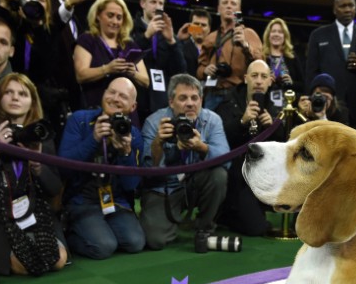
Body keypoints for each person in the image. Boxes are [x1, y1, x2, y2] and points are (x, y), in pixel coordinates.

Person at [0, 73, 68, 276]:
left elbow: (54, 188)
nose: (15, 97)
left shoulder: (41, 135)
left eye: (22, 93)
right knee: (25, 265)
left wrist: (38, 166)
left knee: (58, 261)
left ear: (32, 101)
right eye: (8, 92)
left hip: (36, 210)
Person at [140, 74, 230, 250]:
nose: (190, 103)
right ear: (171, 102)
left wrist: (201, 147)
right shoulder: (154, 122)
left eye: (194, 98)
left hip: (197, 182)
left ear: (201, 100)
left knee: (219, 175)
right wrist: (158, 142)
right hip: (165, 187)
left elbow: (226, 160)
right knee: (155, 240)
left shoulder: (212, 120)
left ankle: (204, 227)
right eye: (183, 98)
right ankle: (172, 220)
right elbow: (146, 172)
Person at [58, 78, 146, 260]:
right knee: (104, 247)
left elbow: (131, 185)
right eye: (111, 92)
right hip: (82, 199)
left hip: (115, 200)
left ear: (133, 106)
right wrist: (94, 139)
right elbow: (63, 167)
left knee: (135, 243)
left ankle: (96, 229)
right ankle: (69, 232)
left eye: (123, 96)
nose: (115, 98)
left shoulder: (133, 134)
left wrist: (125, 153)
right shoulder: (80, 120)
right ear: (103, 94)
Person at [0, 0, 72, 136]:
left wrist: (38, 26)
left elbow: (45, 69)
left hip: (42, 107)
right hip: (5, 100)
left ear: (48, 6)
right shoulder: (11, 26)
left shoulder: (50, 33)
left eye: (41, 0)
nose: (35, 3)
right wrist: (3, 6)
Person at [215, 60, 280, 236]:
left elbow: (284, 147)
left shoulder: (276, 109)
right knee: (256, 228)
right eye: (254, 76)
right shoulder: (228, 104)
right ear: (245, 79)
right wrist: (242, 122)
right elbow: (220, 140)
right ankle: (225, 213)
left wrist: (273, 128)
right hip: (238, 177)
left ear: (270, 81)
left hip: (266, 175)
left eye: (263, 76)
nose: (259, 81)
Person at [74, 0, 150, 125]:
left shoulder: (130, 45)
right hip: (95, 108)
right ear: (98, 15)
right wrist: (107, 69)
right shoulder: (87, 40)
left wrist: (133, 73)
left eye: (119, 17)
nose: (115, 21)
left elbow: (146, 81)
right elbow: (80, 75)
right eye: (110, 16)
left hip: (126, 113)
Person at [304, 0, 356, 128]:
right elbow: (311, 73)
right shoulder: (318, 35)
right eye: (343, 6)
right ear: (334, 9)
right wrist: (311, 99)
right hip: (329, 106)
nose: (347, 10)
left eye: (351, 5)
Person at [44, 0, 95, 114]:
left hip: (70, 94)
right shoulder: (43, 3)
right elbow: (47, 33)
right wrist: (68, 4)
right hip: (49, 91)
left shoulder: (75, 14)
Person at [196, 0, 264, 111]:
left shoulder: (249, 34)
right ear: (218, 9)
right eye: (225, 3)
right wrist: (205, 70)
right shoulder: (211, 37)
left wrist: (245, 45)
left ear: (239, 11)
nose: (229, 6)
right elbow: (199, 68)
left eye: (233, 4)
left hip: (237, 94)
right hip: (212, 93)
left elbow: (261, 63)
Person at [131, 0, 187, 123]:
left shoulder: (168, 33)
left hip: (162, 99)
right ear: (142, 3)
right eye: (153, 2)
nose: (158, 7)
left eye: (161, 3)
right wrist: (146, 36)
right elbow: (129, 59)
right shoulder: (130, 28)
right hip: (138, 96)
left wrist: (172, 41)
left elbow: (180, 71)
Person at [261, 17, 304, 108]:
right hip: (266, 107)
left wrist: (291, 83)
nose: (276, 34)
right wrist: (266, 82)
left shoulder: (292, 57)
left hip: (288, 107)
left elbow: (303, 85)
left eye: (280, 32)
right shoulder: (262, 57)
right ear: (268, 35)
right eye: (273, 31)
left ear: (285, 36)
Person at [176, 9, 211, 81]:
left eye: (203, 25)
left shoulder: (214, 49)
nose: (200, 28)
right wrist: (178, 39)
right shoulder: (181, 46)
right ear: (190, 26)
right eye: (196, 24)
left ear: (209, 29)